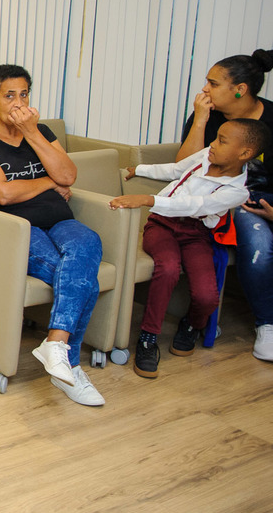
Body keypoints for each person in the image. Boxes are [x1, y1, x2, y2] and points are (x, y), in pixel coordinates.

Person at [0, 64, 105, 406]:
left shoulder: (37, 131)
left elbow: (68, 173)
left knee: (89, 242)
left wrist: (33, 135)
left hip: (59, 220)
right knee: (80, 278)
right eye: (9, 95)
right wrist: (49, 183)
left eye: (23, 94)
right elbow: (2, 194)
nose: (18, 103)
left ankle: (55, 345)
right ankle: (70, 367)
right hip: (15, 228)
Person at [110, 119, 268, 378]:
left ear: (245, 153)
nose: (213, 145)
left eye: (221, 141)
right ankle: (148, 337)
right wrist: (139, 168)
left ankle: (192, 325)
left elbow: (195, 205)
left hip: (196, 234)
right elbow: (175, 170)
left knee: (207, 296)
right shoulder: (206, 156)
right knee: (168, 269)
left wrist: (148, 199)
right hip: (161, 225)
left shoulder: (237, 191)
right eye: (215, 138)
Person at [172, 48, 273, 361]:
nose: (205, 90)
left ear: (240, 89)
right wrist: (201, 120)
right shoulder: (208, 116)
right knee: (259, 244)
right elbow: (182, 166)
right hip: (223, 198)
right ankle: (267, 324)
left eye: (213, 84)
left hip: (265, 198)